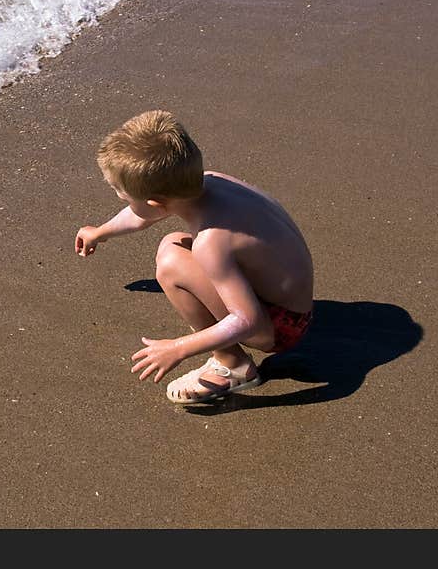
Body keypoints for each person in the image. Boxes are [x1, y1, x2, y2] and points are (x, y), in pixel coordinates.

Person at [74, 110, 314, 404]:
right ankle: (230, 356)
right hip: (292, 304)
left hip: (282, 328)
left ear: (156, 203)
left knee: (172, 263)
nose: (121, 199)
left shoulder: (211, 243)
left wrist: (179, 347)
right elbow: (142, 216)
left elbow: (247, 321)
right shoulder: (210, 182)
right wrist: (101, 232)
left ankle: (233, 365)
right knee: (174, 242)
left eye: (122, 196)